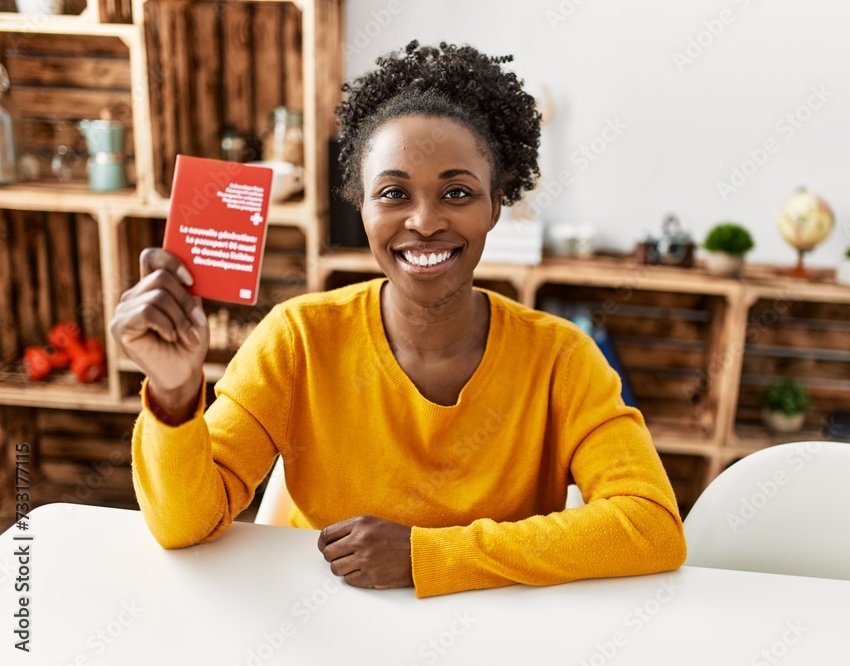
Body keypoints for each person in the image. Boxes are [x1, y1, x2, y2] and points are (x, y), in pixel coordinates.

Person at [110, 40, 685, 598]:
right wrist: (176, 389)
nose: (425, 222)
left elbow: (650, 526)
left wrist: (426, 555)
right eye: (393, 193)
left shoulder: (562, 358)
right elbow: (183, 525)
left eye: (457, 192)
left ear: (494, 207)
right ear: (360, 205)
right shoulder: (297, 340)